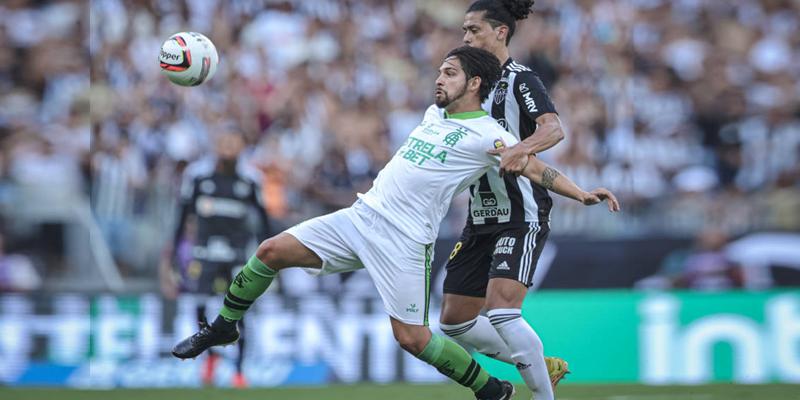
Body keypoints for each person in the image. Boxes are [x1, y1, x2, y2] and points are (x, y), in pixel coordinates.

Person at [172, 46, 618, 400]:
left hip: (405, 241)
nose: (439, 79)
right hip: (360, 216)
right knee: (270, 250)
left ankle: (490, 390)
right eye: (440, 71)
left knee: (414, 338)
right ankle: (224, 326)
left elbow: (536, 168)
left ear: (474, 83)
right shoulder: (433, 115)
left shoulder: (488, 133)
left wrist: (581, 193)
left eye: (449, 73)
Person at [439, 1, 570, 399]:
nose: (465, 38)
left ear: (500, 32)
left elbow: (553, 128)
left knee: (501, 310)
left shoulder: (520, 80)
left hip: (521, 212)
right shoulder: (468, 83)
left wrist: (520, 150)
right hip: (478, 217)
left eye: (474, 30)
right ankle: (537, 364)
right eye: (464, 30)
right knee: (454, 322)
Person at [160, 129, 269, 388]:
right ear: (216, 145)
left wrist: (267, 259)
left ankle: (239, 370)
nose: (229, 146)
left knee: (239, 311)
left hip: (236, 255)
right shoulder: (197, 176)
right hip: (204, 253)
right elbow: (181, 216)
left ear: (243, 146)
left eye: (235, 141)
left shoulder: (251, 178)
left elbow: (264, 223)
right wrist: (174, 253)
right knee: (199, 305)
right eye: (225, 141)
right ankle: (210, 356)